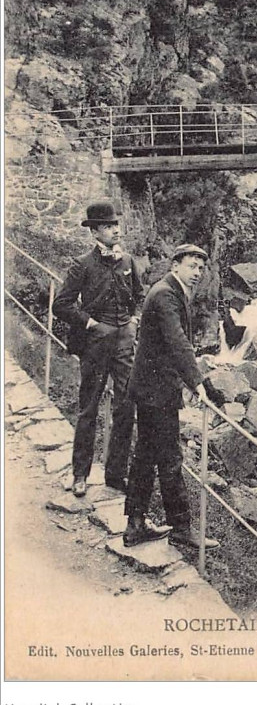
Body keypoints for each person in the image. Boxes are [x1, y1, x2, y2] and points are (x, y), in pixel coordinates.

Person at [124, 245, 227, 549]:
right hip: (156, 393)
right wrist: (198, 384)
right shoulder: (166, 294)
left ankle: (135, 525)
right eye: (192, 266)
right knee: (169, 458)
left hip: (150, 388)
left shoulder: (168, 290)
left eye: (200, 268)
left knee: (145, 455)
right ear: (176, 265)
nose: (197, 273)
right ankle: (181, 527)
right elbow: (178, 342)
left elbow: (174, 344)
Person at [54, 200, 143, 498]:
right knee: (89, 408)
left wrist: (133, 321)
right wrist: (90, 323)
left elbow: (139, 297)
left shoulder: (128, 261)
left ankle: (115, 476)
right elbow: (61, 305)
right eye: (107, 226)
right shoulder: (83, 264)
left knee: (125, 407)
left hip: (124, 344)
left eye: (116, 225)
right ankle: (80, 474)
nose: (114, 230)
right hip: (95, 345)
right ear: (94, 232)